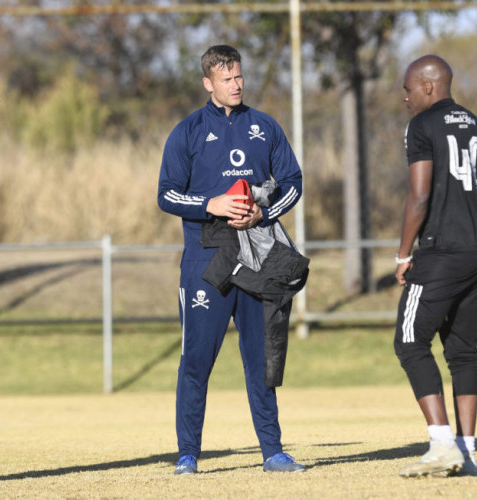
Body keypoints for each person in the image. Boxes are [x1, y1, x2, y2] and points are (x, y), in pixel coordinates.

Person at [157, 44, 305, 474]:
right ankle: (188, 454)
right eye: (226, 79)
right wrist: (213, 204)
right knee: (197, 360)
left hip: (257, 259)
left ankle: (273, 451)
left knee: (261, 358)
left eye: (239, 76)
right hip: (206, 263)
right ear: (208, 83)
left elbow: (293, 181)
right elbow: (167, 194)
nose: (236, 84)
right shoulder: (186, 132)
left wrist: (264, 211)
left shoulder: (265, 126)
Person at [394, 54, 477, 478]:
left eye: (409, 89)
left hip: (442, 252)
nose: (405, 97)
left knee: (411, 342)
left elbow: (419, 196)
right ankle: (467, 456)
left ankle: (441, 445)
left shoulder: (422, 125)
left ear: (428, 87)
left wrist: (403, 253)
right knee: (463, 352)